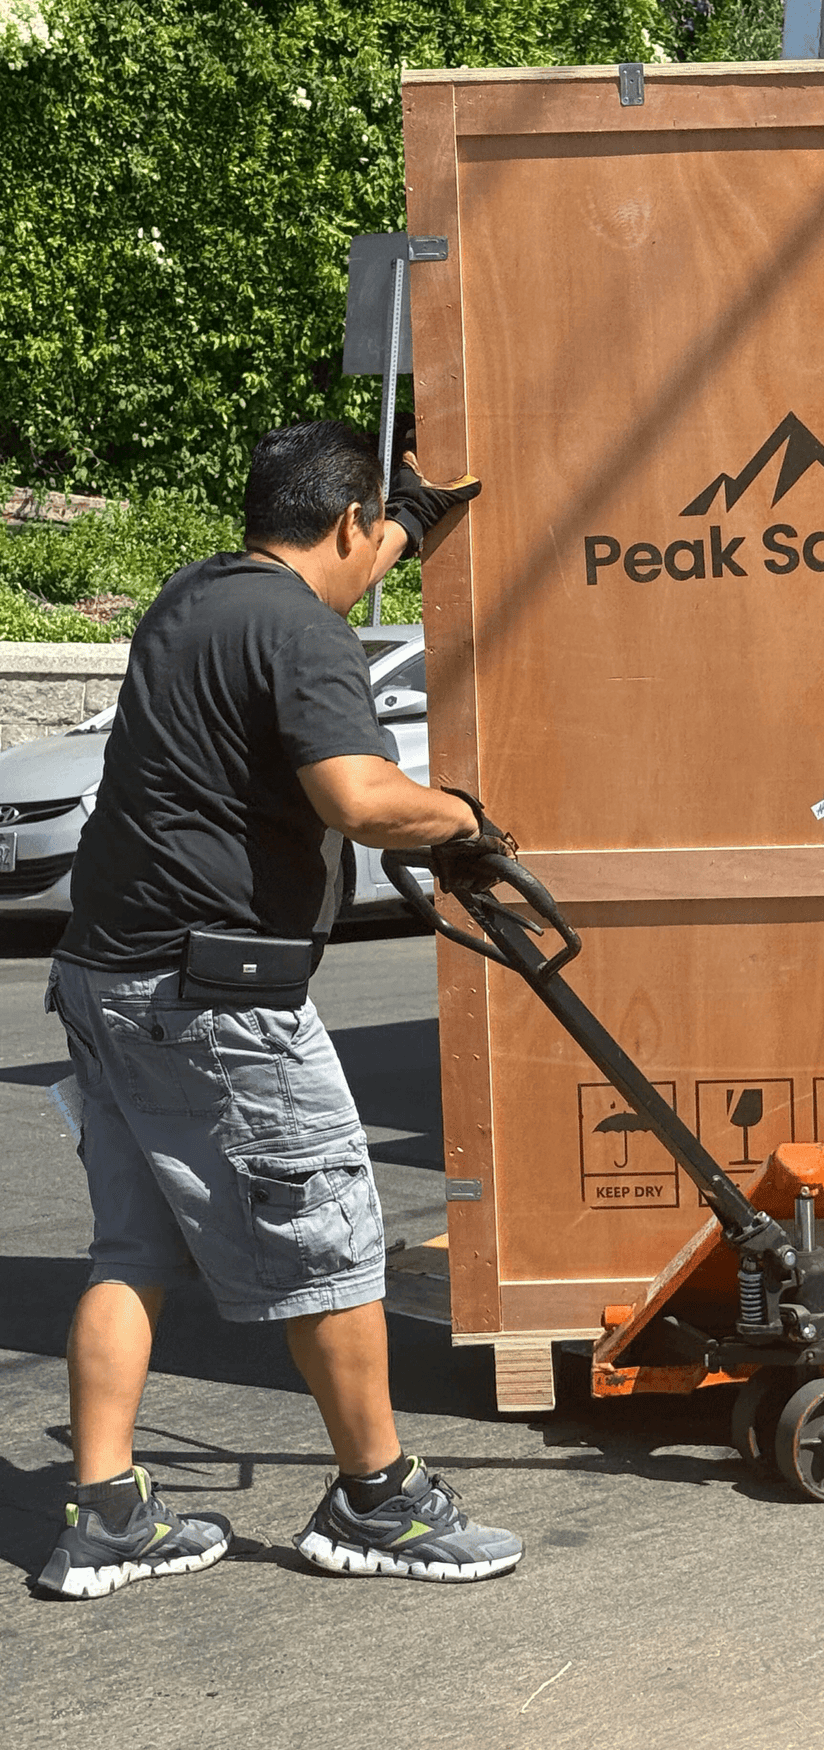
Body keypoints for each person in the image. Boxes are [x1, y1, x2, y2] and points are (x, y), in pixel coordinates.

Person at [38, 420, 523, 1598]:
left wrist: (409, 519)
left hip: (103, 978)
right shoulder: (308, 632)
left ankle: (103, 1511)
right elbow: (358, 798)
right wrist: (461, 817)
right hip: (217, 1002)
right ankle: (378, 1501)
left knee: (132, 1245)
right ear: (343, 521)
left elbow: (332, 562)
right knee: (333, 1238)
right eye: (377, 532)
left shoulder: (191, 595)